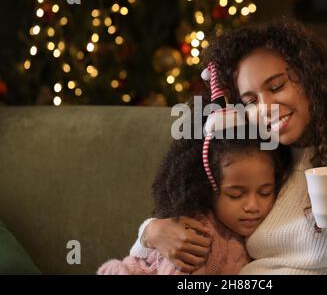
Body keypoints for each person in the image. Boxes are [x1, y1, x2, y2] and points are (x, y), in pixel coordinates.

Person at [131, 18, 327, 275]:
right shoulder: (263, 166)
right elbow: (198, 224)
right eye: (251, 101)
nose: (266, 108)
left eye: (277, 86)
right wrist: (151, 231)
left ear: (313, 81)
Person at [98, 70, 292, 275]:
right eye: (236, 194)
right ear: (207, 188)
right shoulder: (198, 239)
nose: (253, 206)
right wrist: (149, 232)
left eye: (264, 192)